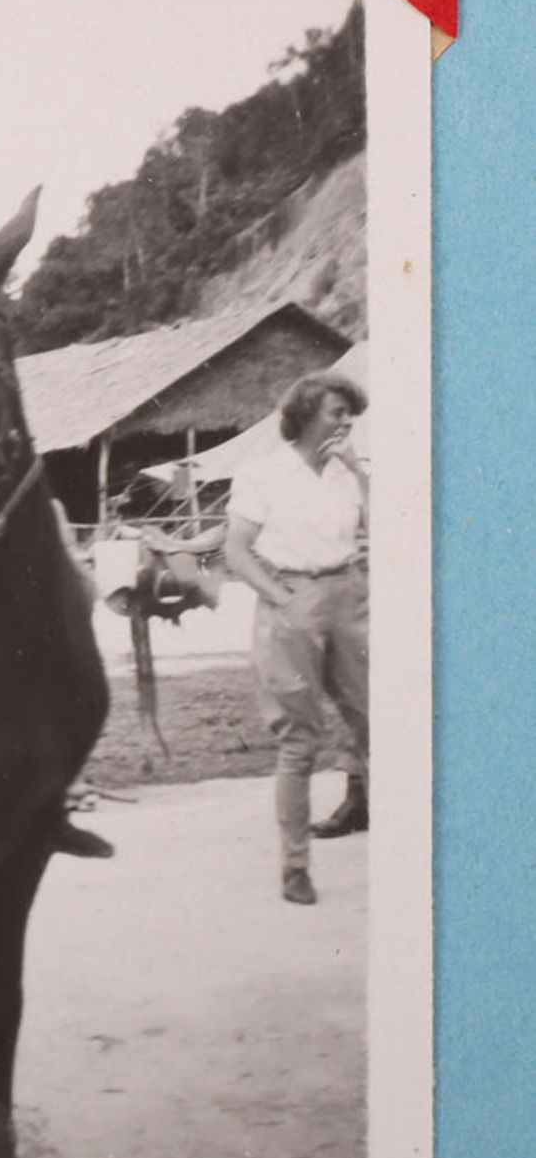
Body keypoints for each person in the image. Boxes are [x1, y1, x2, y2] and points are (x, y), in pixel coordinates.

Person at [225, 363, 370, 905]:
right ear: (307, 415)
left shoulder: (348, 472)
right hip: (291, 599)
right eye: (338, 411)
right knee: (300, 741)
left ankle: (415, 861)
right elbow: (236, 551)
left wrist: (358, 473)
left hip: (349, 596)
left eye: (351, 413)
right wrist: (283, 599)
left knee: (382, 725)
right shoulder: (262, 474)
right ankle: (295, 867)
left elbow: (387, 528)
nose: (348, 421)